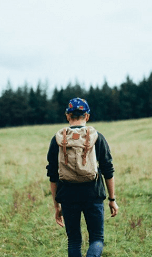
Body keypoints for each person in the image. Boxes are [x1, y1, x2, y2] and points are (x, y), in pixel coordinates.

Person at [46, 97, 119, 257]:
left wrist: (56, 206)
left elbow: (52, 175)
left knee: (73, 241)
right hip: (93, 194)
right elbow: (108, 169)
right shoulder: (97, 137)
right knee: (97, 239)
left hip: (67, 196)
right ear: (87, 116)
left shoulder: (57, 140)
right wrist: (112, 199)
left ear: (67, 116)